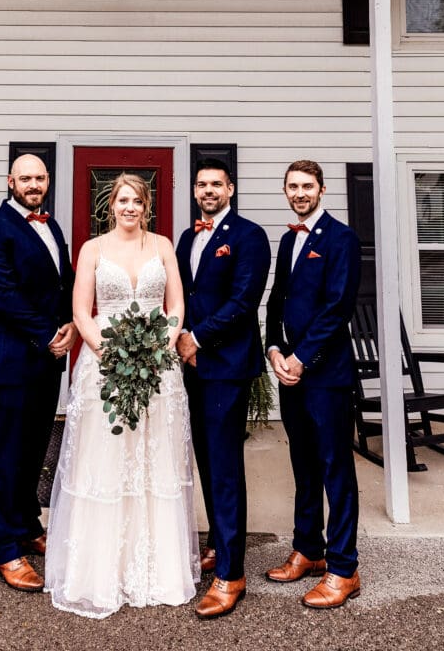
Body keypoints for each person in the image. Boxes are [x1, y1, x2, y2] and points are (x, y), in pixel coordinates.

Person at [45, 173, 199, 618]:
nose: (129, 207)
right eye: (122, 200)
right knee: (108, 460)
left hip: (157, 364)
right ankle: (101, 570)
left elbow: (175, 307)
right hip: (105, 363)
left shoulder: (164, 246)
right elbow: (80, 309)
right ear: (110, 206)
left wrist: (160, 349)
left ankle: (158, 570)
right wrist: (108, 352)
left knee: (154, 460)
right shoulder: (92, 250)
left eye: (137, 201)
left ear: (147, 206)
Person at [0, 154, 76, 593]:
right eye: (26, 178)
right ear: (10, 181)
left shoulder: (50, 226)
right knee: (6, 454)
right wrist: (49, 333)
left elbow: (63, 282)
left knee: (34, 448)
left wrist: (71, 321)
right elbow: (2, 294)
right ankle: (6, 549)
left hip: (46, 359)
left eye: (40, 178)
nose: (34, 185)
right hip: (10, 360)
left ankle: (29, 525)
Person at [176, 158, 271, 620]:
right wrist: (177, 337)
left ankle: (231, 574)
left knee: (225, 465)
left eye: (216, 184)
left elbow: (243, 301)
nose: (208, 190)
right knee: (208, 462)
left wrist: (197, 338)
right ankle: (218, 540)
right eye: (202, 184)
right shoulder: (187, 237)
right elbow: (181, 296)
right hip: (191, 366)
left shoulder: (249, 236)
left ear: (231, 188)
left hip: (226, 366)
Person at [265, 159, 362, 609]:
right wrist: (274, 350)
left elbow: (337, 307)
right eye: (292, 186)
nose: (299, 193)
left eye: (307, 186)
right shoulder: (288, 239)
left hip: (326, 375)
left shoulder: (340, 238)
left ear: (321, 190)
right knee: (303, 465)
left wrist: (302, 358)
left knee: (334, 469)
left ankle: (344, 568)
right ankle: (309, 549)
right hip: (290, 373)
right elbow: (278, 299)